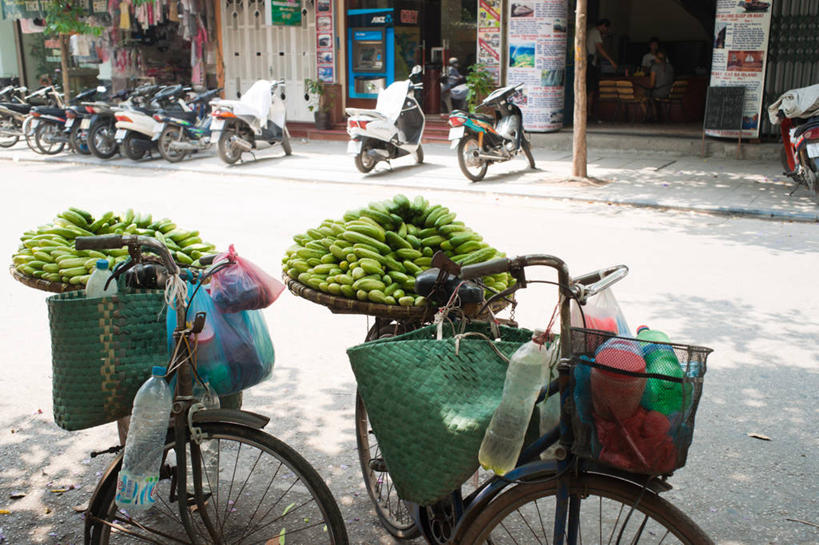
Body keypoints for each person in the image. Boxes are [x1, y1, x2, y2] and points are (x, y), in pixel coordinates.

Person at [586, 18, 617, 121]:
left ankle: (587, 113)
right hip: (590, 64)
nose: (606, 30)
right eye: (606, 28)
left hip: (587, 63)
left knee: (588, 90)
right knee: (590, 90)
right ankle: (588, 113)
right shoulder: (595, 32)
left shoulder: (590, 31)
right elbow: (599, 48)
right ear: (603, 25)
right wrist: (611, 61)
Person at [648, 51, 675, 120]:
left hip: (659, 92)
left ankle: (654, 116)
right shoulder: (670, 67)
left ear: (657, 58)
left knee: (647, 96)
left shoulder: (654, 67)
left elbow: (652, 84)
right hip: (670, 92)